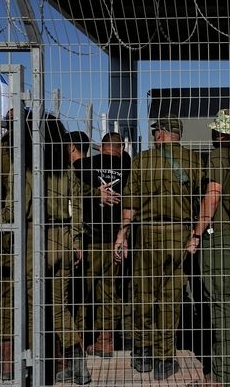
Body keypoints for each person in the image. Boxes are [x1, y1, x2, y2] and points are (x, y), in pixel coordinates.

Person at [0, 115, 91, 384]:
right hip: (62, 237)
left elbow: (16, 208)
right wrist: (75, 240)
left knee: (29, 305)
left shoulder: (24, 166)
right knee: (59, 306)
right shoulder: (66, 168)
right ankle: (78, 363)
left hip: (33, 237)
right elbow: (78, 208)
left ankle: (32, 366)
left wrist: (0, 225)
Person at [115, 115, 204, 381]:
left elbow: (130, 203)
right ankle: (165, 358)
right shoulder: (195, 160)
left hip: (148, 235)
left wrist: (123, 233)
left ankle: (142, 351)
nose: (154, 136)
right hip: (180, 235)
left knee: (143, 293)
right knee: (170, 297)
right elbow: (203, 202)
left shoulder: (142, 160)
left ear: (163, 133)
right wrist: (197, 234)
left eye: (156, 132)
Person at [185, 109, 230, 387]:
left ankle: (221, 377)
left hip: (218, 237)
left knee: (219, 308)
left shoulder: (219, 156)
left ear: (220, 133)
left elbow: (212, 196)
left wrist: (196, 233)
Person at [72, 132, 130, 358]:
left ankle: (76, 342)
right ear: (121, 147)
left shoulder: (84, 166)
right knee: (109, 292)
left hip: (89, 239)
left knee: (81, 292)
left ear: (101, 146)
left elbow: (73, 195)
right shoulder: (128, 168)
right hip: (115, 238)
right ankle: (105, 341)